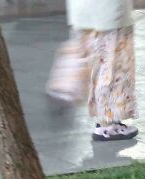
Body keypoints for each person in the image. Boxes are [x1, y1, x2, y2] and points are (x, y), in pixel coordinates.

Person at [47, 0, 138, 142]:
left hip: (81, 11)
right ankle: (108, 124)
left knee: (94, 64)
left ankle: (104, 121)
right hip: (109, 12)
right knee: (113, 68)